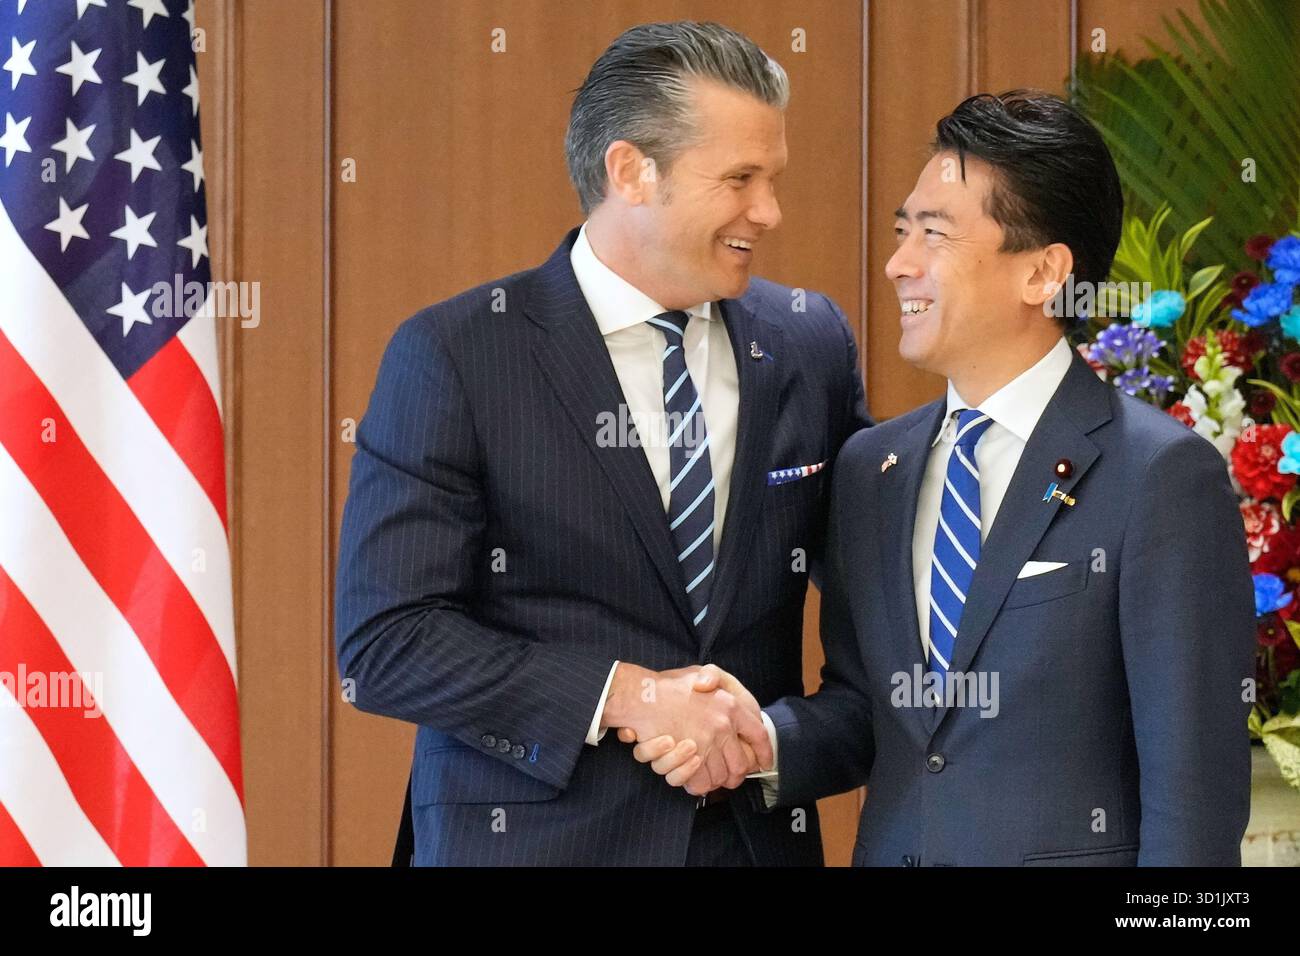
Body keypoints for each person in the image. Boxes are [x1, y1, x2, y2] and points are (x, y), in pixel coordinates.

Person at [637, 91, 1255, 866]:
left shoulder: (1159, 474)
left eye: (934, 234)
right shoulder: (870, 470)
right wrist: (762, 739)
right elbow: (872, 711)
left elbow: (1195, 793)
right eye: (903, 231)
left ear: (1043, 273)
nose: (899, 263)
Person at [334, 20, 871, 866]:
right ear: (631, 171)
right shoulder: (458, 354)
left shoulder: (811, 344)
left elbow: (879, 640)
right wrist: (628, 697)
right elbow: (386, 644)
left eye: (772, 179)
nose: (768, 212)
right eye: (739, 179)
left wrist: (770, 739)